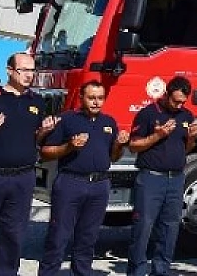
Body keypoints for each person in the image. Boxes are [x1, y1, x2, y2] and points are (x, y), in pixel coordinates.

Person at [0, 52, 58, 276]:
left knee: (13, 236)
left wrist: (43, 132)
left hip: (22, 179)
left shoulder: (37, 101)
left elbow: (34, 139)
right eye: (23, 70)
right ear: (9, 71)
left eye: (32, 70)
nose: (29, 75)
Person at [38, 80, 129, 276]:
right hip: (70, 183)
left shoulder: (109, 122)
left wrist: (119, 145)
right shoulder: (67, 120)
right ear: (81, 98)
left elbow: (113, 157)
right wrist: (69, 147)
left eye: (100, 98)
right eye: (91, 98)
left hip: (99, 185)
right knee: (58, 236)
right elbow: (45, 153)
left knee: (88, 238)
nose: (96, 102)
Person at [126, 76, 197, 276]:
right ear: (166, 94)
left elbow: (187, 148)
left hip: (176, 179)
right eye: (175, 101)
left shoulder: (186, 115)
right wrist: (157, 136)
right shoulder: (148, 114)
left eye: (183, 102)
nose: (179, 105)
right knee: (143, 227)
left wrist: (192, 138)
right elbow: (133, 145)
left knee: (169, 229)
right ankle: (137, 271)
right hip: (151, 178)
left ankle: (161, 270)